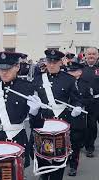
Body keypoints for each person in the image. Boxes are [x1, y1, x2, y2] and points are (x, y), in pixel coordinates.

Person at [32, 49, 83, 180]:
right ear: (46, 62)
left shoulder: (69, 80)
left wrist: (77, 107)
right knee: (42, 157)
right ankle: (44, 175)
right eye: (49, 61)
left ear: (61, 62)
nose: (52, 64)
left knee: (59, 161)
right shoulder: (37, 80)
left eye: (55, 62)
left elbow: (77, 99)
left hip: (62, 123)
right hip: (43, 123)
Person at [64, 61, 92, 176]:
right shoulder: (63, 82)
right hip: (64, 116)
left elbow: (90, 99)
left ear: (80, 72)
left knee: (75, 143)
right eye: (69, 70)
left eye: (73, 71)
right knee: (63, 141)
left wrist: (79, 105)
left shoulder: (85, 84)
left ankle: (73, 166)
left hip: (78, 117)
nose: (70, 73)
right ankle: (63, 160)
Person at [81, 47, 99, 158]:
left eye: (94, 54)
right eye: (89, 54)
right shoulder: (80, 69)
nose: (91, 56)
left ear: (97, 56)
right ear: (85, 56)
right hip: (89, 102)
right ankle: (89, 147)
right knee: (91, 126)